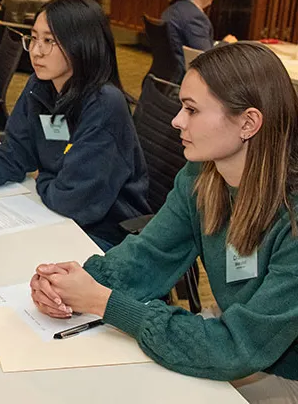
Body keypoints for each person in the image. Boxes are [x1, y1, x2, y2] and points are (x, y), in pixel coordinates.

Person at [31, 43, 298, 403]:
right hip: (233, 346)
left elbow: (237, 347)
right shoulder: (201, 178)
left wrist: (104, 303)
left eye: (191, 110)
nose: (176, 120)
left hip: (282, 372)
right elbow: (149, 254)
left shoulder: (291, 217)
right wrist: (70, 286)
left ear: (248, 122)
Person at [0, 0, 150, 249]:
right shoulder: (40, 88)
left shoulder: (105, 104)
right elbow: (15, 153)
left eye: (49, 41)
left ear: (80, 45)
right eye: (34, 38)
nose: (36, 51)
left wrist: (44, 175)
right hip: (55, 218)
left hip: (103, 236)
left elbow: (73, 201)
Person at [161, 0, 236, 77]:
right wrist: (226, 45)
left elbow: (197, 42)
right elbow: (205, 60)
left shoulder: (172, 10)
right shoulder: (196, 18)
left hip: (166, 74)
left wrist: (217, 43)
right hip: (185, 77)